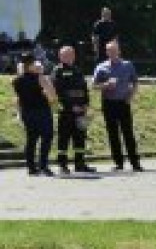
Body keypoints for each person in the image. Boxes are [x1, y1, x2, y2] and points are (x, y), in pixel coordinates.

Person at [92, 40, 143, 171]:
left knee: (128, 133)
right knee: (113, 134)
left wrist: (130, 97)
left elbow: (135, 82)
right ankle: (118, 162)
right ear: (106, 52)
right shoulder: (101, 67)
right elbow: (94, 86)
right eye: (109, 50)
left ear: (119, 51)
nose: (112, 53)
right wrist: (106, 85)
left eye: (114, 50)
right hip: (108, 103)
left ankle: (135, 162)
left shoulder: (127, 65)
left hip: (123, 102)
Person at [51, 45, 96, 174]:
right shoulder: (58, 71)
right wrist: (71, 106)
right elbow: (58, 92)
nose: (69, 57)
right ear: (60, 56)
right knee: (64, 138)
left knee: (80, 137)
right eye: (66, 55)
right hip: (66, 112)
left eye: (71, 54)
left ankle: (80, 163)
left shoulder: (77, 70)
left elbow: (84, 89)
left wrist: (86, 104)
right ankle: (62, 165)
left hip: (81, 111)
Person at [12, 52, 56, 175]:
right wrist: (45, 81)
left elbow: (18, 99)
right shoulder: (40, 78)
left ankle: (31, 167)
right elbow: (52, 97)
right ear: (32, 64)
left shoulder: (16, 81)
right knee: (46, 137)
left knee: (31, 139)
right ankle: (43, 165)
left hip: (27, 112)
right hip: (42, 111)